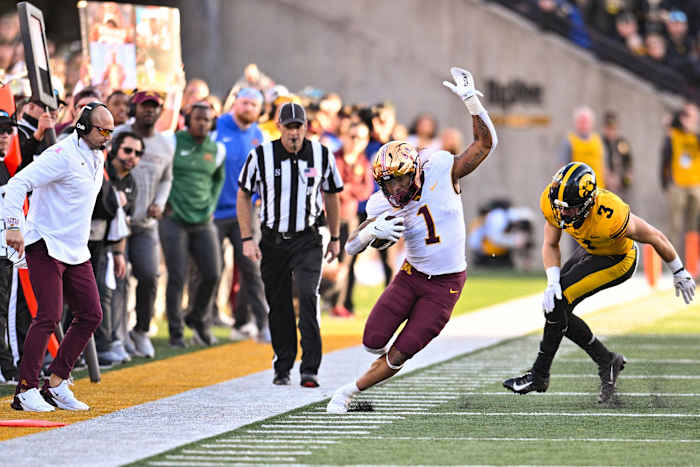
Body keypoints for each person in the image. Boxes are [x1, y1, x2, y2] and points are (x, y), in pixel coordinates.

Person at [327, 66, 498, 413]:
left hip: (446, 284)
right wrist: (369, 233)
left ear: (416, 169)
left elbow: (485, 144)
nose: (395, 190)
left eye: (399, 181)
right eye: (387, 183)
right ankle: (366, 376)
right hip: (410, 275)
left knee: (402, 350)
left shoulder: (440, 167)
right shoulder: (381, 200)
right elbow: (350, 246)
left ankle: (348, 392)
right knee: (372, 340)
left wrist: (471, 103)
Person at [503, 162, 695, 403]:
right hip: (590, 250)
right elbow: (551, 244)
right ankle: (608, 361)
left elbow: (654, 236)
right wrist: (552, 280)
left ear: (588, 203)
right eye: (560, 207)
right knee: (555, 306)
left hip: (618, 260)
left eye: (569, 209)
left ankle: (539, 375)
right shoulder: (554, 203)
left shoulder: (610, 213)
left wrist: (678, 270)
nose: (562, 214)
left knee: (557, 307)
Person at [5, 103, 114, 411]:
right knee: (49, 316)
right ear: (82, 128)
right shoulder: (61, 155)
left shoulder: (97, 154)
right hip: (45, 244)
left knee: (92, 314)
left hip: (76, 249)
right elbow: (17, 183)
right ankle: (24, 390)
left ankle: (56, 383)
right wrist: (14, 227)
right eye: (102, 129)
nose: (107, 135)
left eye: (111, 130)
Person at [238, 102, 343, 388]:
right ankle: (283, 365)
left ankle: (310, 368)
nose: (294, 132)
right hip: (272, 239)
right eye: (289, 126)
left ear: (306, 127)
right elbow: (244, 194)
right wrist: (247, 238)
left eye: (299, 126)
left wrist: (335, 237)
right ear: (279, 127)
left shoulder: (321, 154)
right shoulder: (261, 155)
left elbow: (333, 195)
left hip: (308, 238)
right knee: (279, 302)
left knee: (309, 296)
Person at [112, 90, 174, 358]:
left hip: (147, 224)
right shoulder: (118, 135)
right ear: (133, 108)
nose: (149, 111)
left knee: (149, 276)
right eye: (144, 106)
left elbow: (167, 179)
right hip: (119, 223)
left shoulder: (165, 144)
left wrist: (160, 202)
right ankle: (119, 334)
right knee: (119, 279)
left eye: (154, 107)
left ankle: (141, 330)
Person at [160, 102, 225, 347]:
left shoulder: (217, 149)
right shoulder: (173, 142)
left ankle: (197, 318)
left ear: (212, 123)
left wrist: (211, 206)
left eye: (206, 120)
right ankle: (176, 333)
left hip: (203, 220)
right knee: (177, 275)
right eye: (197, 119)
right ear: (188, 120)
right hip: (174, 219)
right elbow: (161, 173)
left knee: (212, 273)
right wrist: (162, 201)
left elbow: (218, 180)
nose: (202, 123)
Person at [212, 88, 269, 342]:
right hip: (213, 211)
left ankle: (257, 322)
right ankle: (202, 322)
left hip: (245, 212)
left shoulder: (260, 135)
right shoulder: (215, 126)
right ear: (234, 103)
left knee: (252, 266)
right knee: (211, 268)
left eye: (254, 104)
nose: (248, 108)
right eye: (244, 102)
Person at [660, 102, 700, 259]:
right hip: (677, 185)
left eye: (692, 116)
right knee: (675, 227)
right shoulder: (673, 135)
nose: (689, 120)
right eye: (686, 116)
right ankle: (672, 263)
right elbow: (665, 159)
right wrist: (666, 183)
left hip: (695, 185)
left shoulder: (696, 135)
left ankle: (692, 265)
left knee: (693, 228)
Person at [560, 106, 607, 188]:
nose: (583, 125)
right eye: (581, 122)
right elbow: (562, 168)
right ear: (575, 123)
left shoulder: (598, 141)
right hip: (577, 191)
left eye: (586, 122)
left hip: (598, 189)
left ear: (592, 123)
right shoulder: (569, 141)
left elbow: (604, 166)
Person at [602, 110, 633, 196]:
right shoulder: (599, 143)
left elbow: (628, 162)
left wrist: (624, 180)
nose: (611, 132)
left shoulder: (622, 142)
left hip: (620, 185)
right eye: (608, 128)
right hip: (603, 186)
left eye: (613, 129)